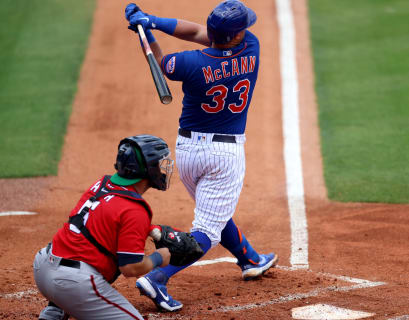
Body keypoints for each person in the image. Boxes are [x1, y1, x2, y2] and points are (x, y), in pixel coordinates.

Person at [125, 0, 278, 312]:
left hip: (188, 154)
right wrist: (151, 21)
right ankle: (157, 277)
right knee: (206, 230)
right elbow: (198, 32)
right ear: (235, 36)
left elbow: (159, 61)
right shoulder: (251, 46)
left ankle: (249, 258)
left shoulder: (189, 64)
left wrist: (147, 27)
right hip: (224, 154)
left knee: (214, 211)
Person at [34, 134, 175, 320]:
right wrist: (159, 258)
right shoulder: (135, 210)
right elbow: (130, 268)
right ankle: (63, 302)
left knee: (92, 247)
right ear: (147, 169)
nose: (162, 168)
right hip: (71, 283)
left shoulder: (102, 184)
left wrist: (149, 229)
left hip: (43, 267)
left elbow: (104, 219)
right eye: (159, 163)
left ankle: (55, 310)